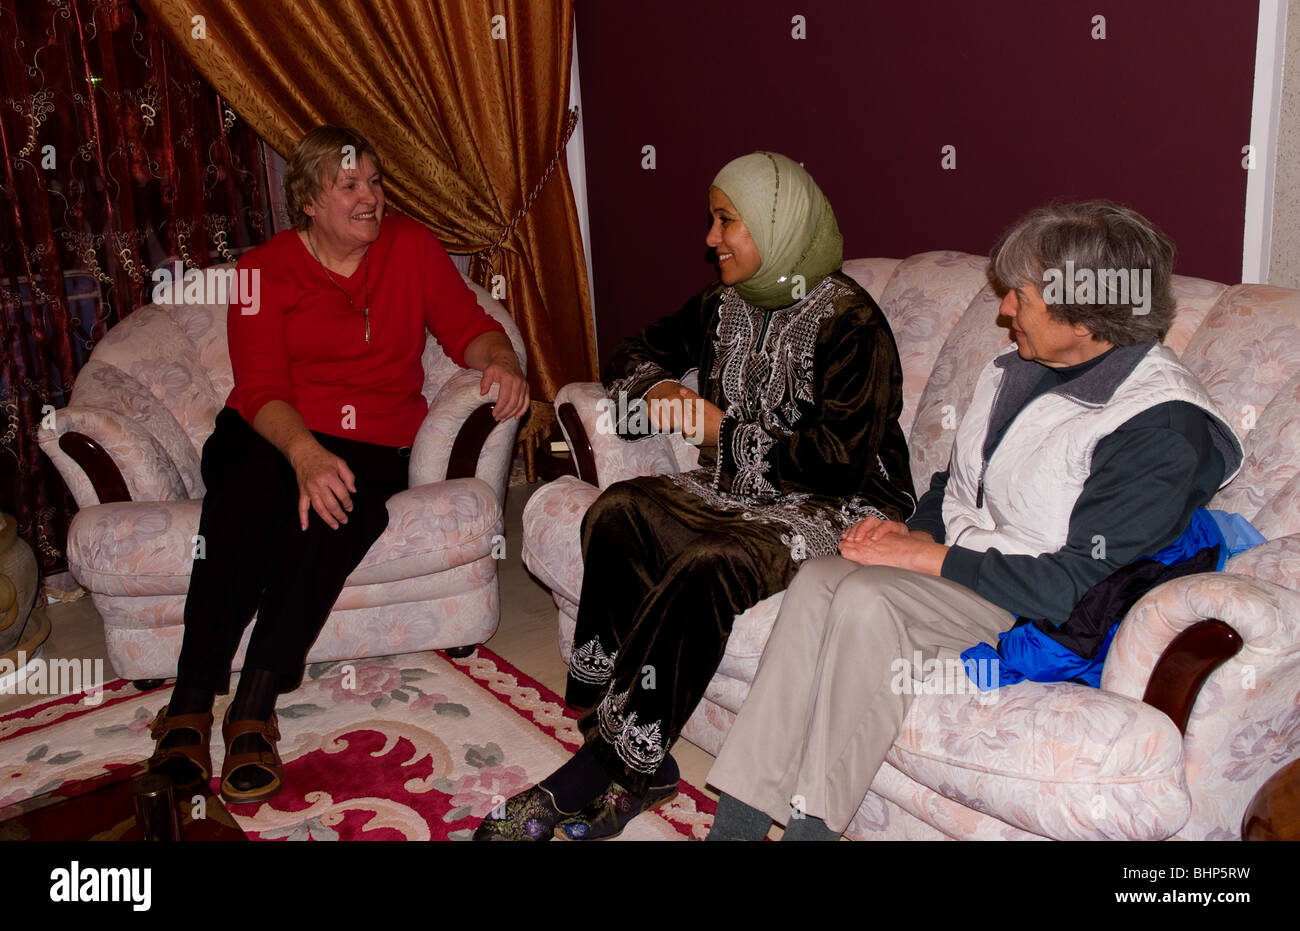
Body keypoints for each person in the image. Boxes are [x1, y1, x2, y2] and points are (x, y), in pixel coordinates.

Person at [705, 200, 1245, 841]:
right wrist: (914, 531)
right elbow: (952, 487)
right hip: (970, 566)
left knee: (870, 600)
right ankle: (736, 824)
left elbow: (1068, 585)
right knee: (823, 577)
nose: (1004, 311)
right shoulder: (1018, 371)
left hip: (1033, 601)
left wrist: (921, 558)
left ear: (1087, 313)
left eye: (1019, 295)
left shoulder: (1158, 427)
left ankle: (812, 829)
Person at [475, 151, 916, 841]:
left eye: (725, 221)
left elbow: (839, 463)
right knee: (619, 512)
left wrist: (722, 429)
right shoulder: (724, 303)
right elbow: (630, 350)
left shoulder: (851, 323)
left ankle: (601, 766)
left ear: (776, 225)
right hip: (730, 486)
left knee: (712, 561)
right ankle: (629, 755)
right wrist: (660, 390)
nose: (710, 239)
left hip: (839, 506)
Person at [146, 125, 529, 805]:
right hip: (271, 430)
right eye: (350, 185)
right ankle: (189, 701)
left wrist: (500, 359)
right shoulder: (263, 271)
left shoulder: (412, 248)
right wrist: (304, 454)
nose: (370, 198)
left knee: (331, 519)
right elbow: (261, 386)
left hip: (375, 440)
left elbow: (466, 325)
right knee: (243, 504)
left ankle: (253, 707)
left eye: (376, 183)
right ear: (310, 203)